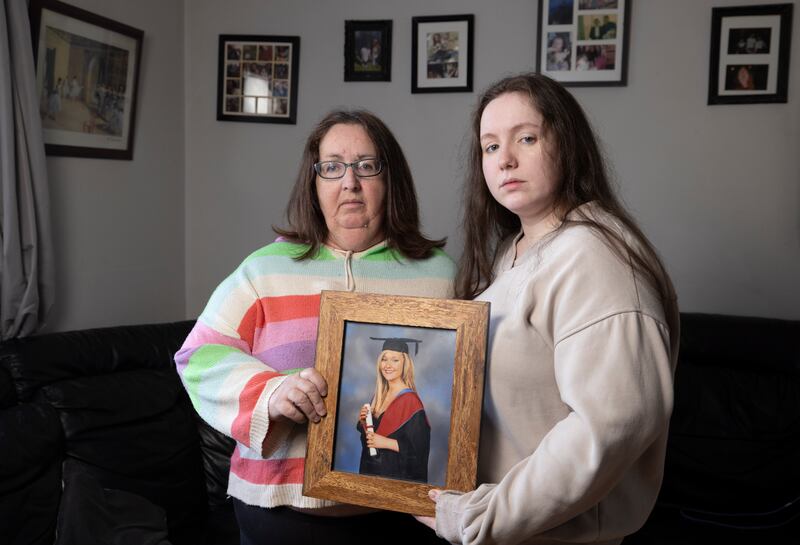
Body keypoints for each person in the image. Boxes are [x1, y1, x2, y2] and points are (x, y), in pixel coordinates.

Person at [415, 73, 680, 544]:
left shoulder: (593, 257)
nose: (506, 160)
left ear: (567, 144)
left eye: (527, 138)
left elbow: (611, 425)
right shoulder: (516, 247)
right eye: (491, 147)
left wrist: (480, 517)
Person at [175, 109, 454, 545]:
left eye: (367, 165)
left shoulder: (439, 275)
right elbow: (197, 355)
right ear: (314, 181)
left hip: (402, 515)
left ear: (390, 178)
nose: (350, 182)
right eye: (332, 167)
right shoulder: (265, 269)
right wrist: (271, 393)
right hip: (281, 511)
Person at [358, 338, 430, 482]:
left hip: (395, 479)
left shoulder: (411, 402)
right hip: (370, 475)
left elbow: (419, 451)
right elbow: (370, 441)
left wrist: (385, 443)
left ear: (405, 364)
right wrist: (364, 420)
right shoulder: (378, 397)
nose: (388, 365)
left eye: (395, 360)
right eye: (384, 359)